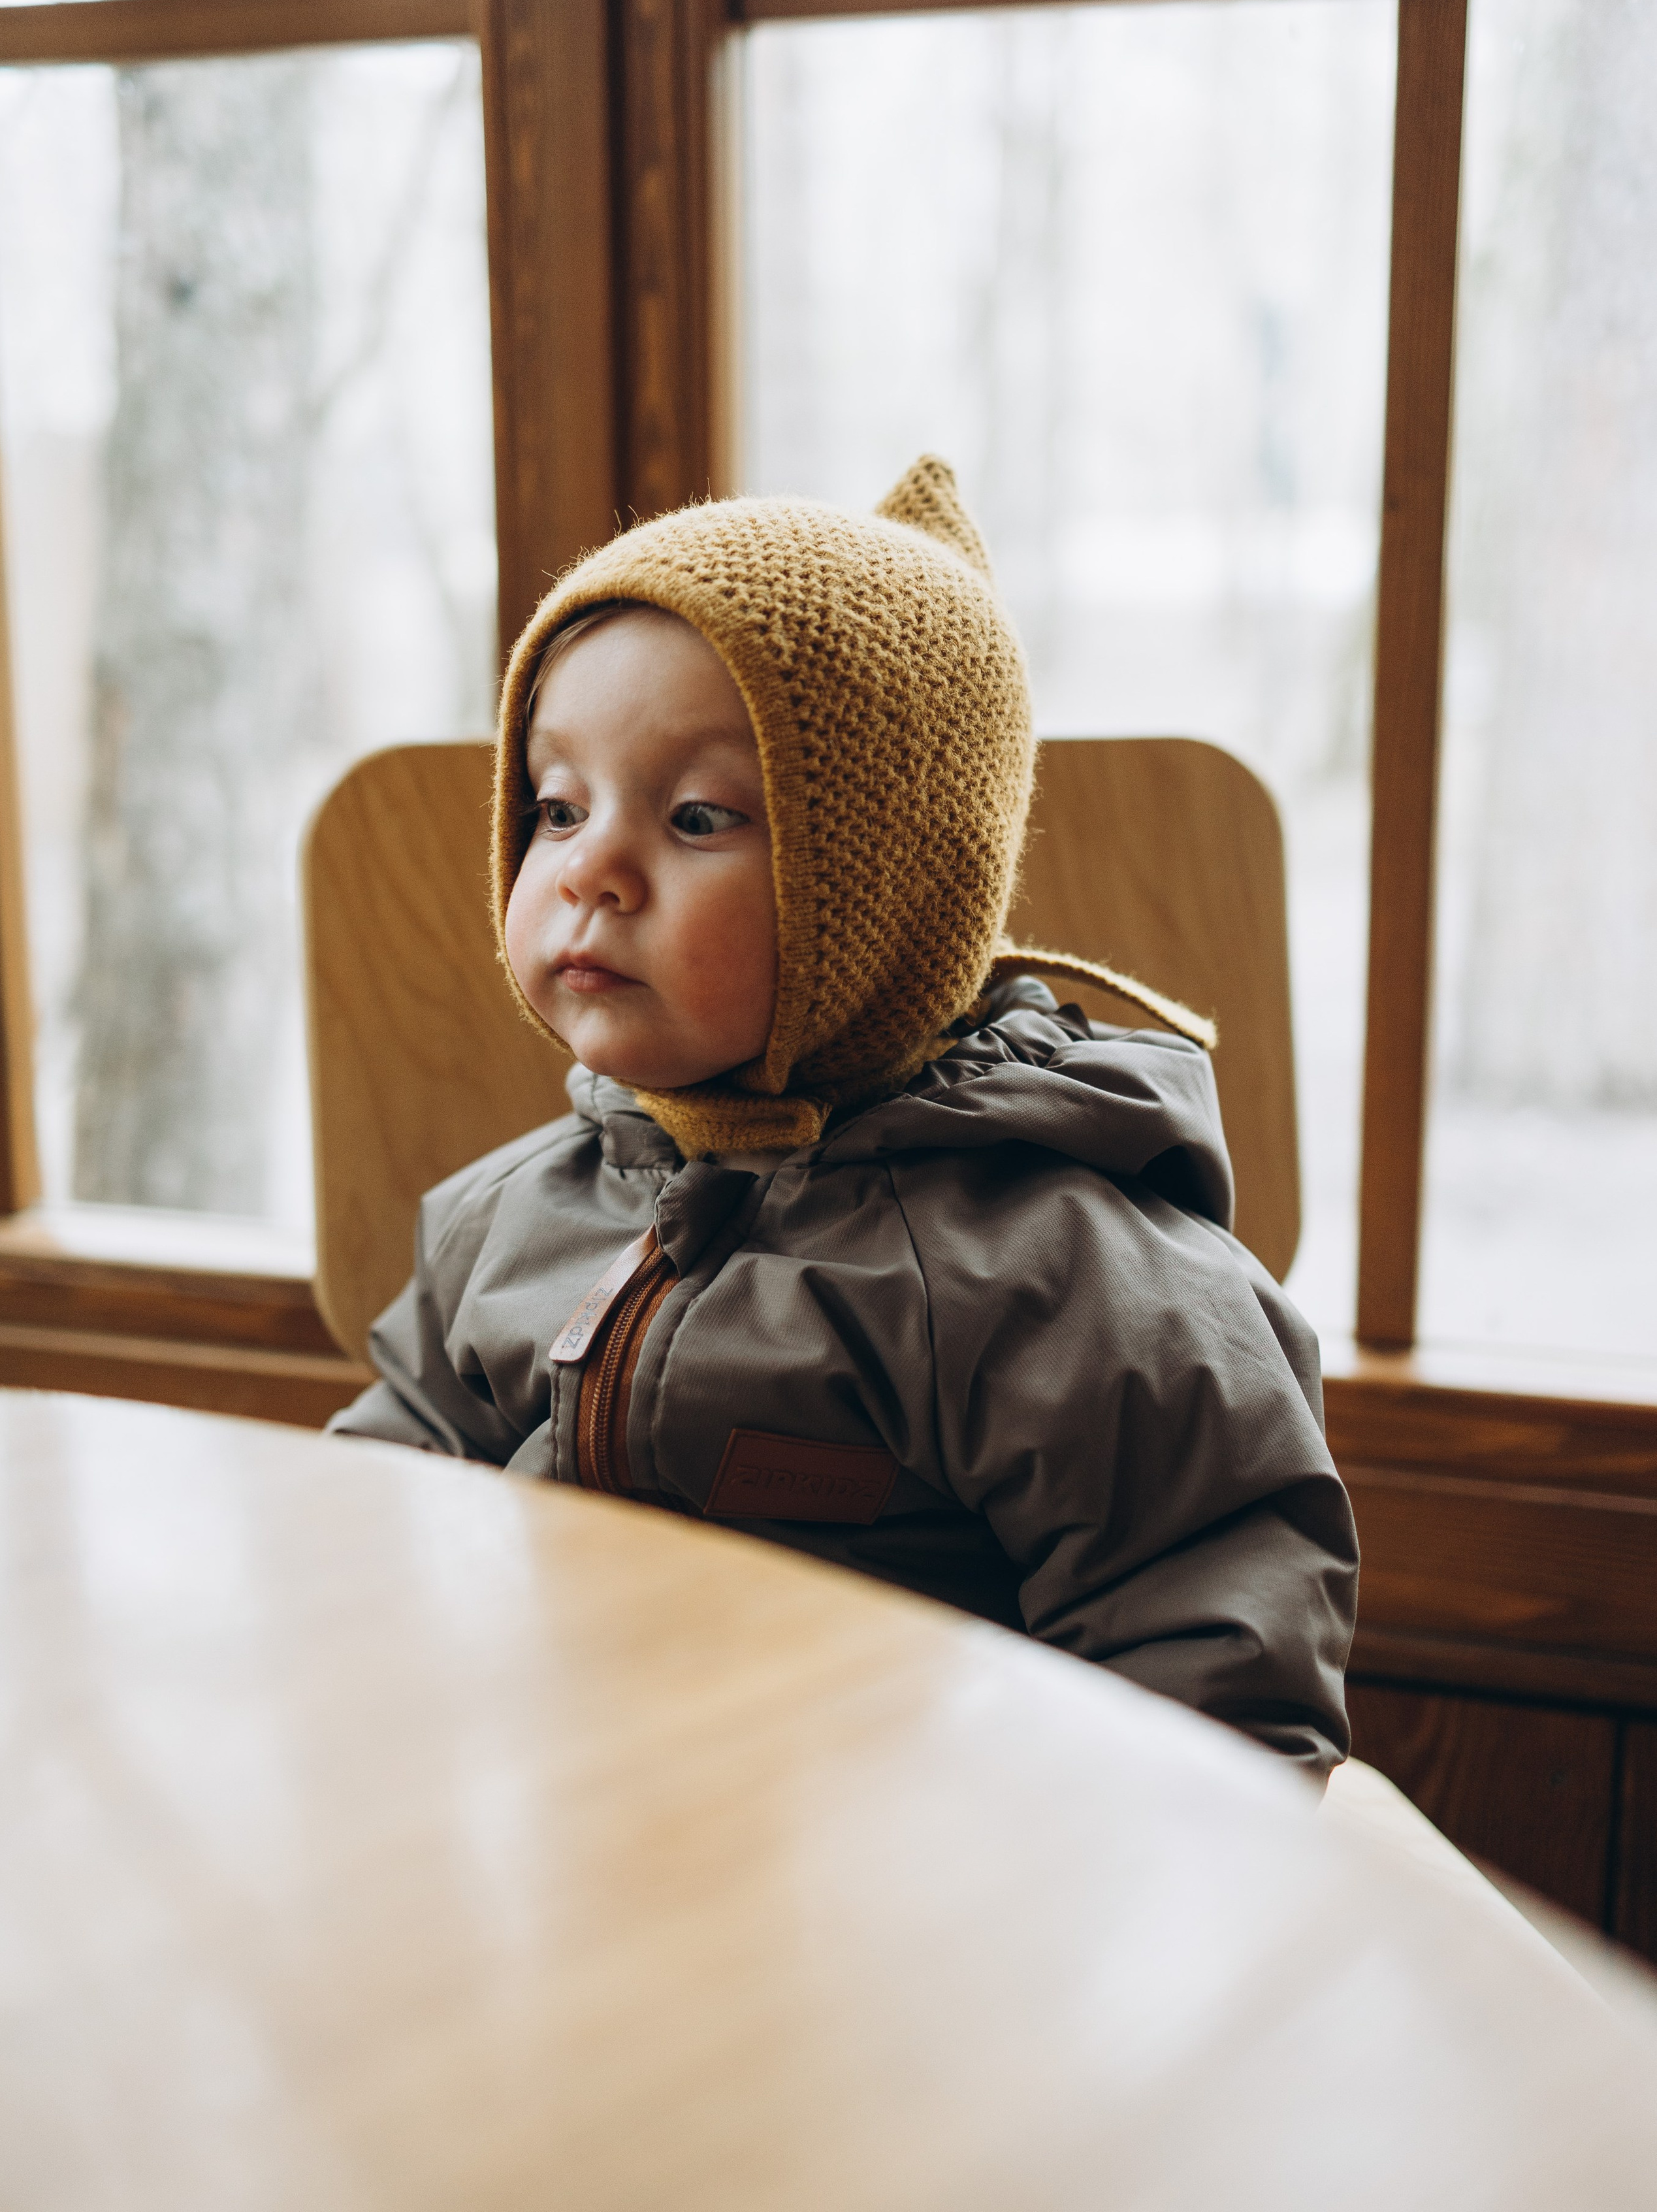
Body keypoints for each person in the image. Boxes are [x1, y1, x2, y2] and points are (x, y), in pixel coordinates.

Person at [330, 456, 1358, 1779]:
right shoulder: (507, 1214)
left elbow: (1215, 1670)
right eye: (555, 806)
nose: (587, 868)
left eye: (695, 815)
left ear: (887, 891)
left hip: (903, 1892)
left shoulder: (1062, 1276)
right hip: (557, 1823)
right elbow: (368, 1526)